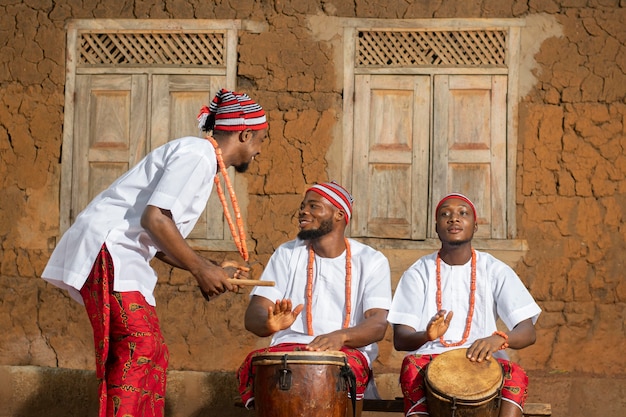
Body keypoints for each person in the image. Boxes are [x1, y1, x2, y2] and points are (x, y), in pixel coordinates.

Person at [41, 88, 268, 417]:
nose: (260, 149)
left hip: (120, 253)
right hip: (110, 249)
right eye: (262, 139)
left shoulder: (200, 157)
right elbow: (155, 219)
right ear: (245, 133)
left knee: (154, 351)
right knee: (140, 347)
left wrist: (210, 266)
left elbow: (160, 234)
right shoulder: (198, 155)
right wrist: (202, 269)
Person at [237, 181, 392, 415]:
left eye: (313, 206)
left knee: (332, 370)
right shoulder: (287, 253)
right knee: (259, 362)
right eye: (302, 206)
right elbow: (254, 313)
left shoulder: (371, 260)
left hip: (347, 351)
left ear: (339, 214)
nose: (303, 211)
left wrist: (341, 336)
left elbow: (378, 324)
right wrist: (268, 323)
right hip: (288, 350)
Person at [387, 193, 542, 417]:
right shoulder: (418, 272)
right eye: (445, 214)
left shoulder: (495, 270)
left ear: (475, 226)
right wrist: (427, 336)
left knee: (515, 374)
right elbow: (401, 339)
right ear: (436, 227)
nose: (454, 219)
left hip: (484, 359)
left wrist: (499, 339)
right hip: (431, 360)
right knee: (411, 367)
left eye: (463, 213)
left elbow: (528, 332)